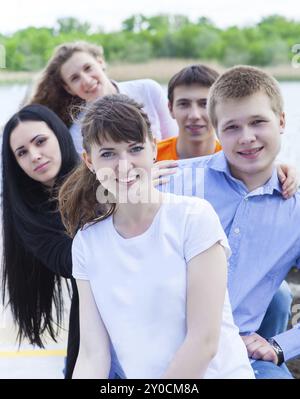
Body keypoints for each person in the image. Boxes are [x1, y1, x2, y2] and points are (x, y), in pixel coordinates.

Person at [58, 94, 254, 379]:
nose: (124, 166)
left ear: (153, 149)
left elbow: (204, 342)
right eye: (108, 154)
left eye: (135, 148)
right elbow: (92, 353)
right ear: (89, 161)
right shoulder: (87, 243)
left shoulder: (193, 218)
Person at [160, 65, 300, 378]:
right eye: (233, 127)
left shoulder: (295, 209)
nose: (247, 138)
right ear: (217, 130)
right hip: (158, 347)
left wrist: (281, 346)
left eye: (258, 122)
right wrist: (128, 186)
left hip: (237, 354)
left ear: (281, 121)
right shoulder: (173, 181)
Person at [2, 104, 79, 379]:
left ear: (59, 135)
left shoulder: (102, 178)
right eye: (22, 153)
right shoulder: (27, 215)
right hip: (91, 326)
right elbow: (68, 262)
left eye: (40, 141)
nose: (34, 156)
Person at [28, 41, 177, 154]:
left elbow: (175, 141)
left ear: (100, 62)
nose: (86, 80)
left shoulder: (148, 90)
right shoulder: (77, 132)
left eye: (88, 68)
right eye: (75, 78)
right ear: (69, 89)